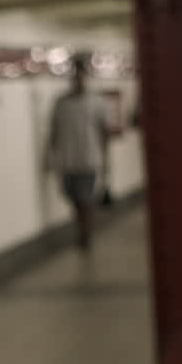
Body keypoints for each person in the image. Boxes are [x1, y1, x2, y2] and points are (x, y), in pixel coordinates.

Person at [45, 57, 112, 252]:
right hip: (68, 160)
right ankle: (82, 230)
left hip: (89, 159)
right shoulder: (61, 103)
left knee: (84, 198)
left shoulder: (96, 102)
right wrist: (50, 156)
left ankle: (85, 234)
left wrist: (105, 158)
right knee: (73, 198)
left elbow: (103, 132)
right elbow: (54, 131)